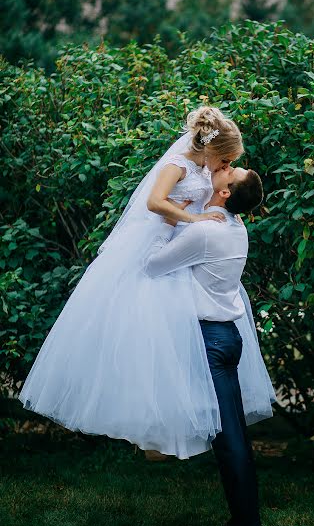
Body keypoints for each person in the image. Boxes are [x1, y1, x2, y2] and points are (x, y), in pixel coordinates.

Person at [18, 106, 275, 461]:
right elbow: (155, 202)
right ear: (215, 150)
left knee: (175, 348)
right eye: (228, 159)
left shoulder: (206, 168)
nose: (227, 165)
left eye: (230, 163)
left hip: (182, 247)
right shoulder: (181, 163)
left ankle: (168, 433)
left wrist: (198, 221)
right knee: (150, 341)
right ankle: (154, 435)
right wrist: (193, 217)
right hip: (161, 239)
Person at [144, 166, 276, 526]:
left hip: (210, 341)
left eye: (231, 171)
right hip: (227, 338)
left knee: (229, 436)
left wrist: (167, 222)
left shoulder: (206, 231)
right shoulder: (236, 228)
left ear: (226, 195)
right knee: (231, 432)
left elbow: (154, 265)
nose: (225, 169)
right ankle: (245, 520)